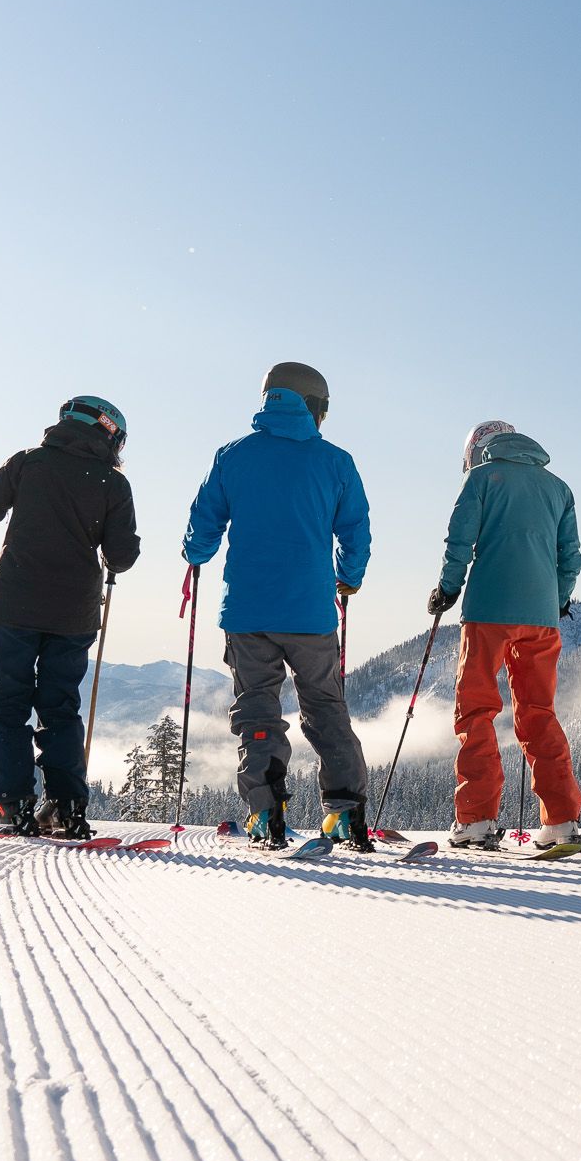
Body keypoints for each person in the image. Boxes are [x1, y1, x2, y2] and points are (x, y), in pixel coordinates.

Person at [0, 395, 141, 837]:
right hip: (74, 613)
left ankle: (6, 805)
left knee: (9, 704)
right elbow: (121, 557)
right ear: (110, 434)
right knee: (61, 708)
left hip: (15, 604)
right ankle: (66, 808)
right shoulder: (113, 485)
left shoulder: (28, 463)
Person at [184, 361, 373, 851]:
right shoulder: (335, 462)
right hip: (310, 613)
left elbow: (204, 521)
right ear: (315, 407)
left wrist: (195, 554)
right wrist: (348, 579)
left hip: (247, 613)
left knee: (257, 714)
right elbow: (355, 530)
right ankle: (346, 814)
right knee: (326, 709)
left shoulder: (233, 456)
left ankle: (266, 814)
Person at [431, 420, 581, 848]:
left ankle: (476, 820)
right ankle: (561, 821)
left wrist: (446, 589)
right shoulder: (559, 488)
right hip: (541, 618)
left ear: (477, 449)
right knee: (538, 712)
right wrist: (556, 601)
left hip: (488, 611)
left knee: (475, 710)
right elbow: (570, 558)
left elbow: (458, 542)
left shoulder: (481, 479)